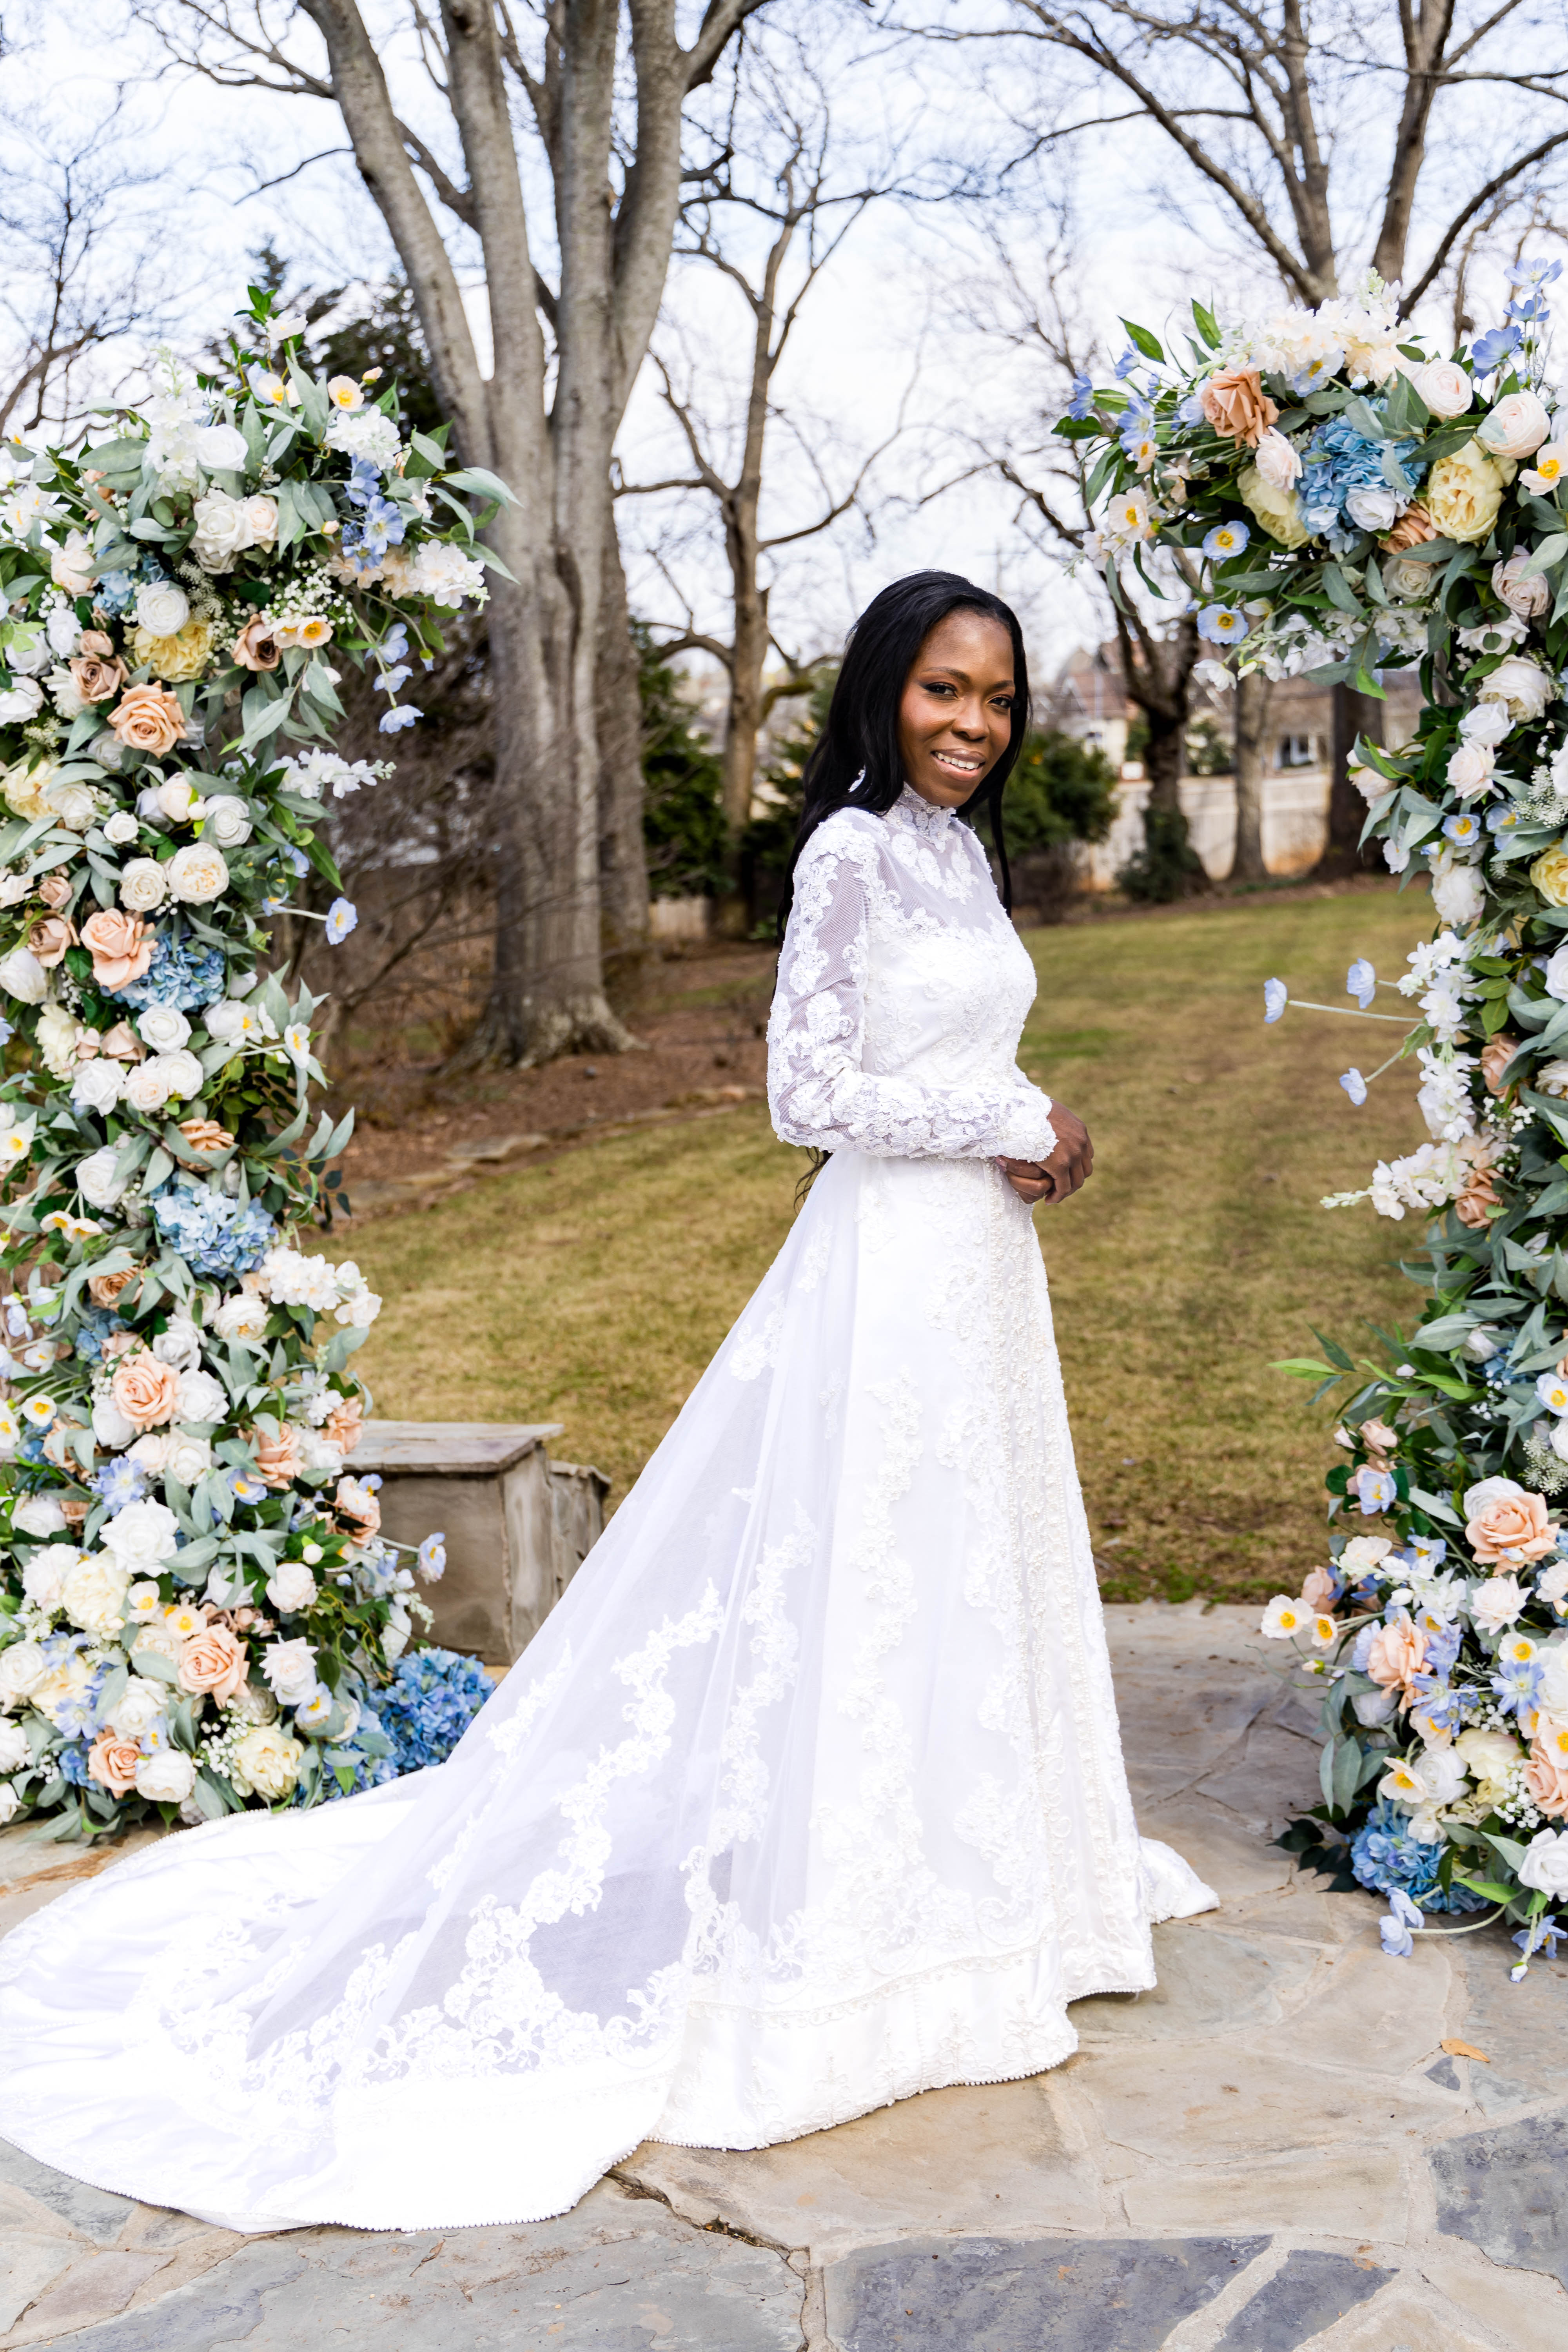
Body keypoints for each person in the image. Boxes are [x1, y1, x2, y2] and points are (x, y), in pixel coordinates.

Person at [0, 571, 1212, 2234]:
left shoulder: (961, 851)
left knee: (966, 1561)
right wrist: (997, 1122)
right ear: (881, 695)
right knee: (860, 1573)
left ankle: (1001, 1877)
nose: (974, 726)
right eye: (945, 691)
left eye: (996, 701)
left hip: (979, 1280)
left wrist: (1030, 1118)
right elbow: (806, 1091)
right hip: (884, 1263)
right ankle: (853, 1914)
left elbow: (951, 1056)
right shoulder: (850, 852)